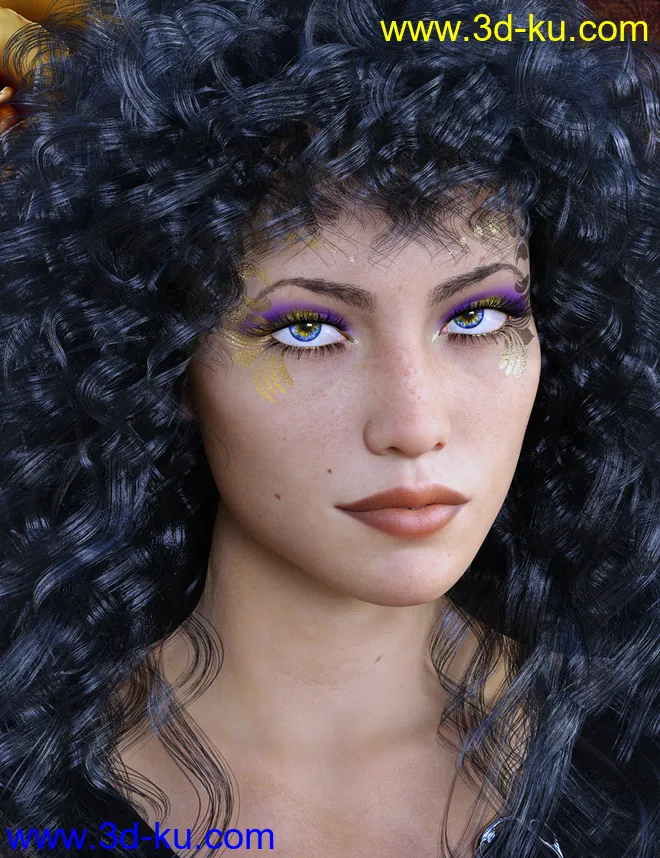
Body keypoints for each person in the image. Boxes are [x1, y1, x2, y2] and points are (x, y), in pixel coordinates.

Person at [0, 0, 658, 856]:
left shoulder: (635, 754)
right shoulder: (26, 796)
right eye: (307, 329)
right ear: (161, 357)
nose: (415, 425)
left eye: (478, 316)